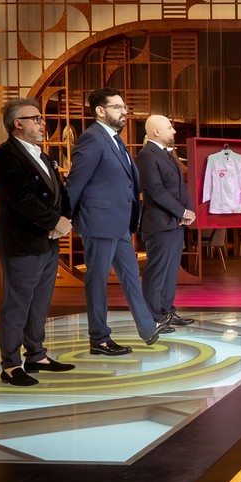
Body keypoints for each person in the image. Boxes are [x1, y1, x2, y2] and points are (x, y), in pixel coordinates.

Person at [66, 87, 165, 356]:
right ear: (100, 111)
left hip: (119, 223)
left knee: (131, 276)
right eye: (118, 107)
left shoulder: (114, 139)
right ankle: (99, 339)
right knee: (97, 281)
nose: (124, 112)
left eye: (124, 107)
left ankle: (148, 327)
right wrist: (63, 217)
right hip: (99, 222)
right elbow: (76, 181)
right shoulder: (92, 139)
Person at [0, 98, 76, 386]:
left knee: (40, 302)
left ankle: (37, 355)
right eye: (36, 118)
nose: (42, 123)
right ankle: (11, 365)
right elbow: (21, 199)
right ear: (18, 123)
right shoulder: (5, 156)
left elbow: (61, 192)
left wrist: (64, 221)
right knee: (17, 304)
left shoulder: (42, 154)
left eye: (41, 118)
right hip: (21, 241)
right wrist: (54, 222)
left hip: (48, 240)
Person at [137, 114, 197, 331]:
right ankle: (153, 317)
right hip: (159, 223)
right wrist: (182, 211)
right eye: (170, 127)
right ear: (156, 131)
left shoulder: (168, 153)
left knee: (171, 272)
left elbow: (180, 186)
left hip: (175, 223)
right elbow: (156, 191)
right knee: (157, 272)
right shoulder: (146, 155)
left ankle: (167, 312)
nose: (174, 131)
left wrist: (189, 211)